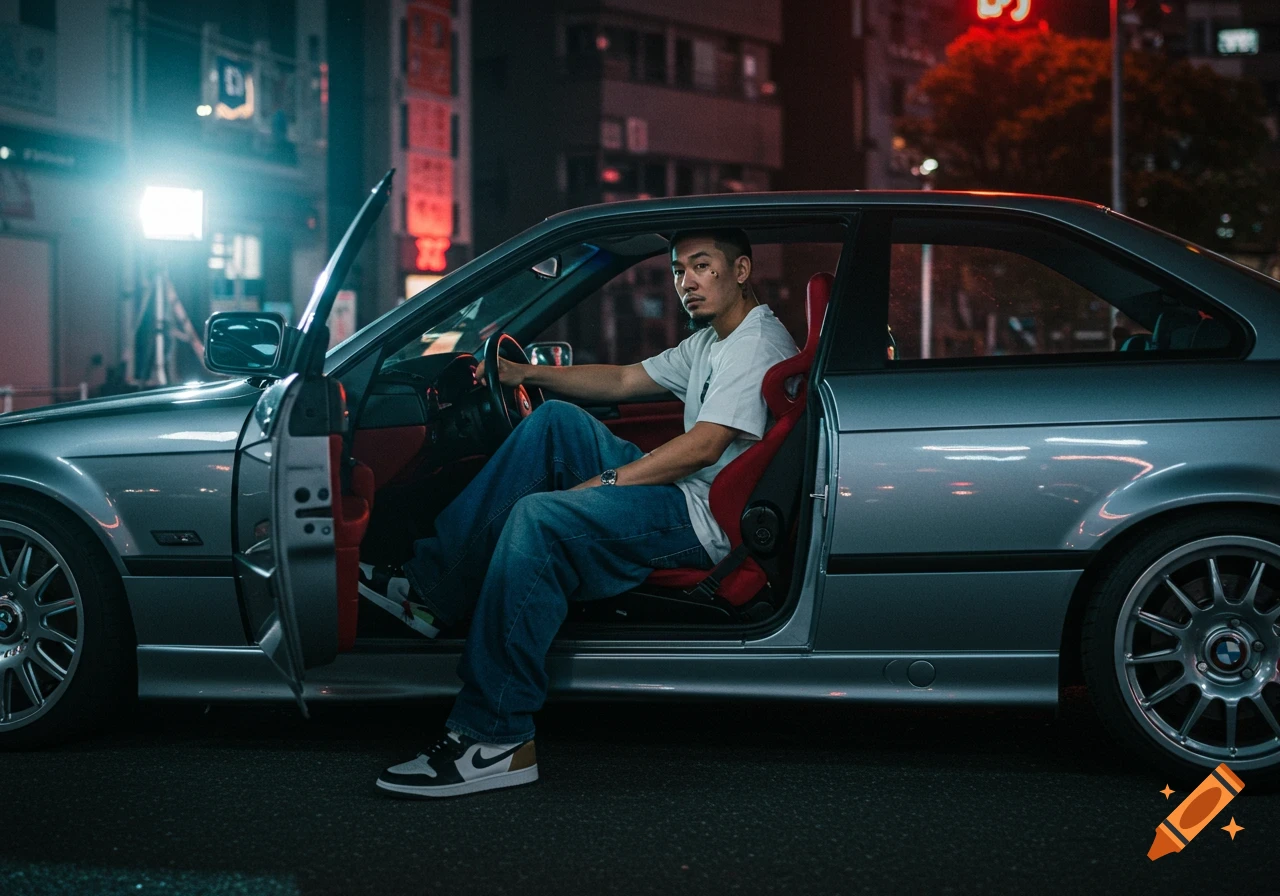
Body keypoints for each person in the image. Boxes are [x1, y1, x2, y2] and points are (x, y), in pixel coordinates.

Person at [363, 229, 798, 798]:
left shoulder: (754, 343)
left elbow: (704, 447)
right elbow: (623, 379)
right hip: (692, 494)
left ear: (740, 271)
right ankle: (427, 593)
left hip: (705, 523)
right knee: (556, 423)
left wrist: (608, 481)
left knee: (538, 519)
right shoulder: (716, 337)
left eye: (701, 266)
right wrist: (527, 375)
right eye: (676, 270)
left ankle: (494, 738)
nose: (685, 282)